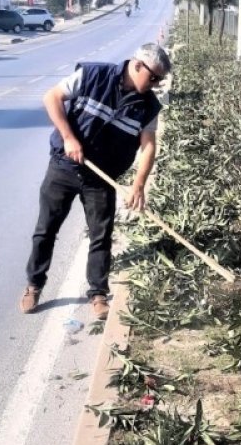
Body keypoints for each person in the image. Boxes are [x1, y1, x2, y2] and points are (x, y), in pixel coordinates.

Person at [21, 43, 171, 320]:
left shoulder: (148, 106)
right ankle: (34, 285)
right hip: (63, 168)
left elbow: (148, 146)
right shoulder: (92, 75)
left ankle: (98, 293)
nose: (155, 85)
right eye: (153, 78)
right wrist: (68, 137)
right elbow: (51, 98)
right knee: (46, 231)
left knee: (100, 237)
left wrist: (138, 184)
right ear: (137, 65)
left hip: (102, 179)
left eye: (159, 81)